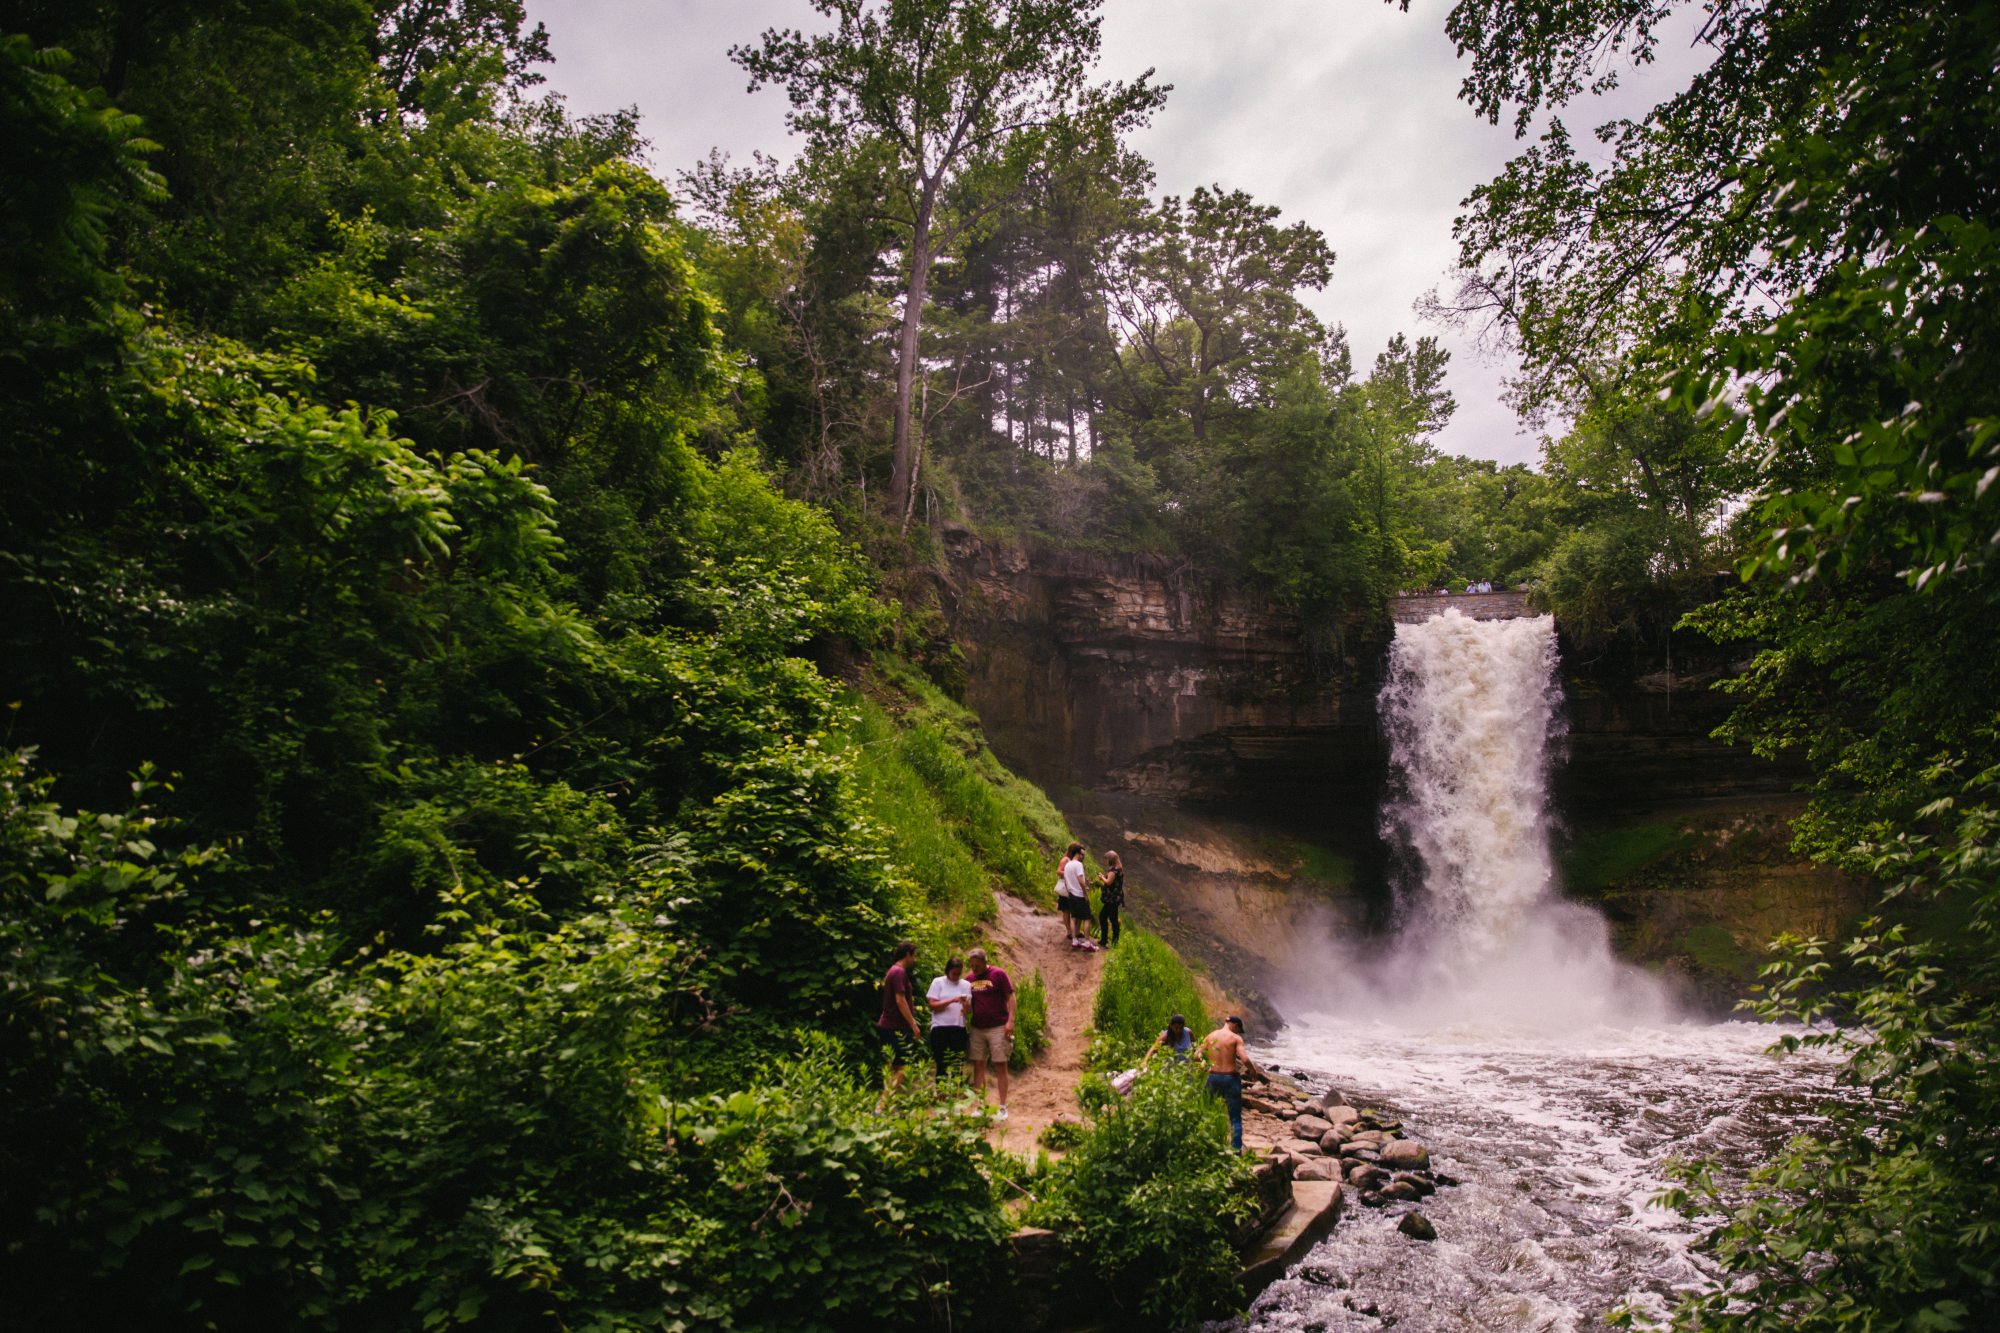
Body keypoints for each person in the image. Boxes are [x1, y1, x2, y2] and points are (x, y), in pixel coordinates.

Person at [1199, 1014, 1267, 1152]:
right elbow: (1244, 1059)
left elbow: (1196, 1055)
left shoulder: (1210, 1036)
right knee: (1235, 1117)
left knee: (1205, 1111)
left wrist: (1204, 1064)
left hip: (1213, 1077)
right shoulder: (1235, 1038)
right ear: (1235, 1025)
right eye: (1238, 1029)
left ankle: (1204, 1144)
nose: (1238, 1032)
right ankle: (1236, 1150)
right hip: (1230, 1079)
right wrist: (1253, 1071)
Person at [964, 948, 1016, 1120]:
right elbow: (967, 1006)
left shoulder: (998, 974)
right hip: (977, 1028)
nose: (974, 969)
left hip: (998, 1026)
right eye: (972, 965)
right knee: (978, 1065)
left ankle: (1002, 1107)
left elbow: (1011, 997)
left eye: (977, 966)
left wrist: (1010, 1021)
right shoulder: (969, 979)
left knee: (1000, 1065)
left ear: (985, 962)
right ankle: (980, 1106)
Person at [874, 941, 924, 1090]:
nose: (914, 959)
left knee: (892, 1068)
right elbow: (900, 1000)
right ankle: (884, 1101)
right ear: (907, 954)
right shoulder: (898, 972)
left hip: (889, 1026)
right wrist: (913, 1024)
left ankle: (888, 1101)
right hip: (894, 1027)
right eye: (914, 956)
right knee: (903, 1068)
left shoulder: (894, 970)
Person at [926, 955, 973, 1085]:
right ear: (948, 970)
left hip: (958, 1028)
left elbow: (969, 1010)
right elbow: (933, 1006)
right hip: (940, 1028)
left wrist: (966, 1004)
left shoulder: (966, 985)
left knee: (957, 1065)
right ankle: (942, 1093)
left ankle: (956, 1093)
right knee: (941, 1065)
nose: (956, 976)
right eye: (954, 973)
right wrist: (952, 1000)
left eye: (959, 973)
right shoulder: (938, 982)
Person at [1062, 842, 1096, 951]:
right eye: (1082, 854)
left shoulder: (1067, 865)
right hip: (1080, 895)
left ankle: (1074, 940)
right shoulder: (1078, 865)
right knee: (1087, 918)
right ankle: (1087, 942)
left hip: (1071, 894)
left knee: (1073, 917)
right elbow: (1081, 881)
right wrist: (1085, 894)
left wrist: (1069, 892)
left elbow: (1065, 881)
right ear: (1077, 853)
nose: (1083, 857)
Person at [1096, 850, 1125, 946]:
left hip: (1111, 899)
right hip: (1115, 898)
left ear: (1111, 860)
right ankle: (1113, 942)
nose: (1106, 861)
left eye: (1107, 859)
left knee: (1104, 917)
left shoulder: (1114, 871)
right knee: (1113, 919)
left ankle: (1105, 940)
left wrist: (1102, 877)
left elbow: (1108, 882)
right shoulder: (1119, 868)